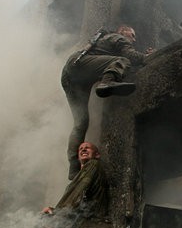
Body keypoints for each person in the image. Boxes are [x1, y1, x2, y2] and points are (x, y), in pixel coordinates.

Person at [61, 25, 153, 180]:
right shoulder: (119, 38)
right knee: (122, 60)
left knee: (81, 123)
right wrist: (148, 57)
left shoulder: (102, 42)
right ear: (123, 32)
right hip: (81, 66)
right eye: (133, 34)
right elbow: (129, 56)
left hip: (69, 75)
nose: (134, 39)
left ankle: (73, 167)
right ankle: (107, 82)